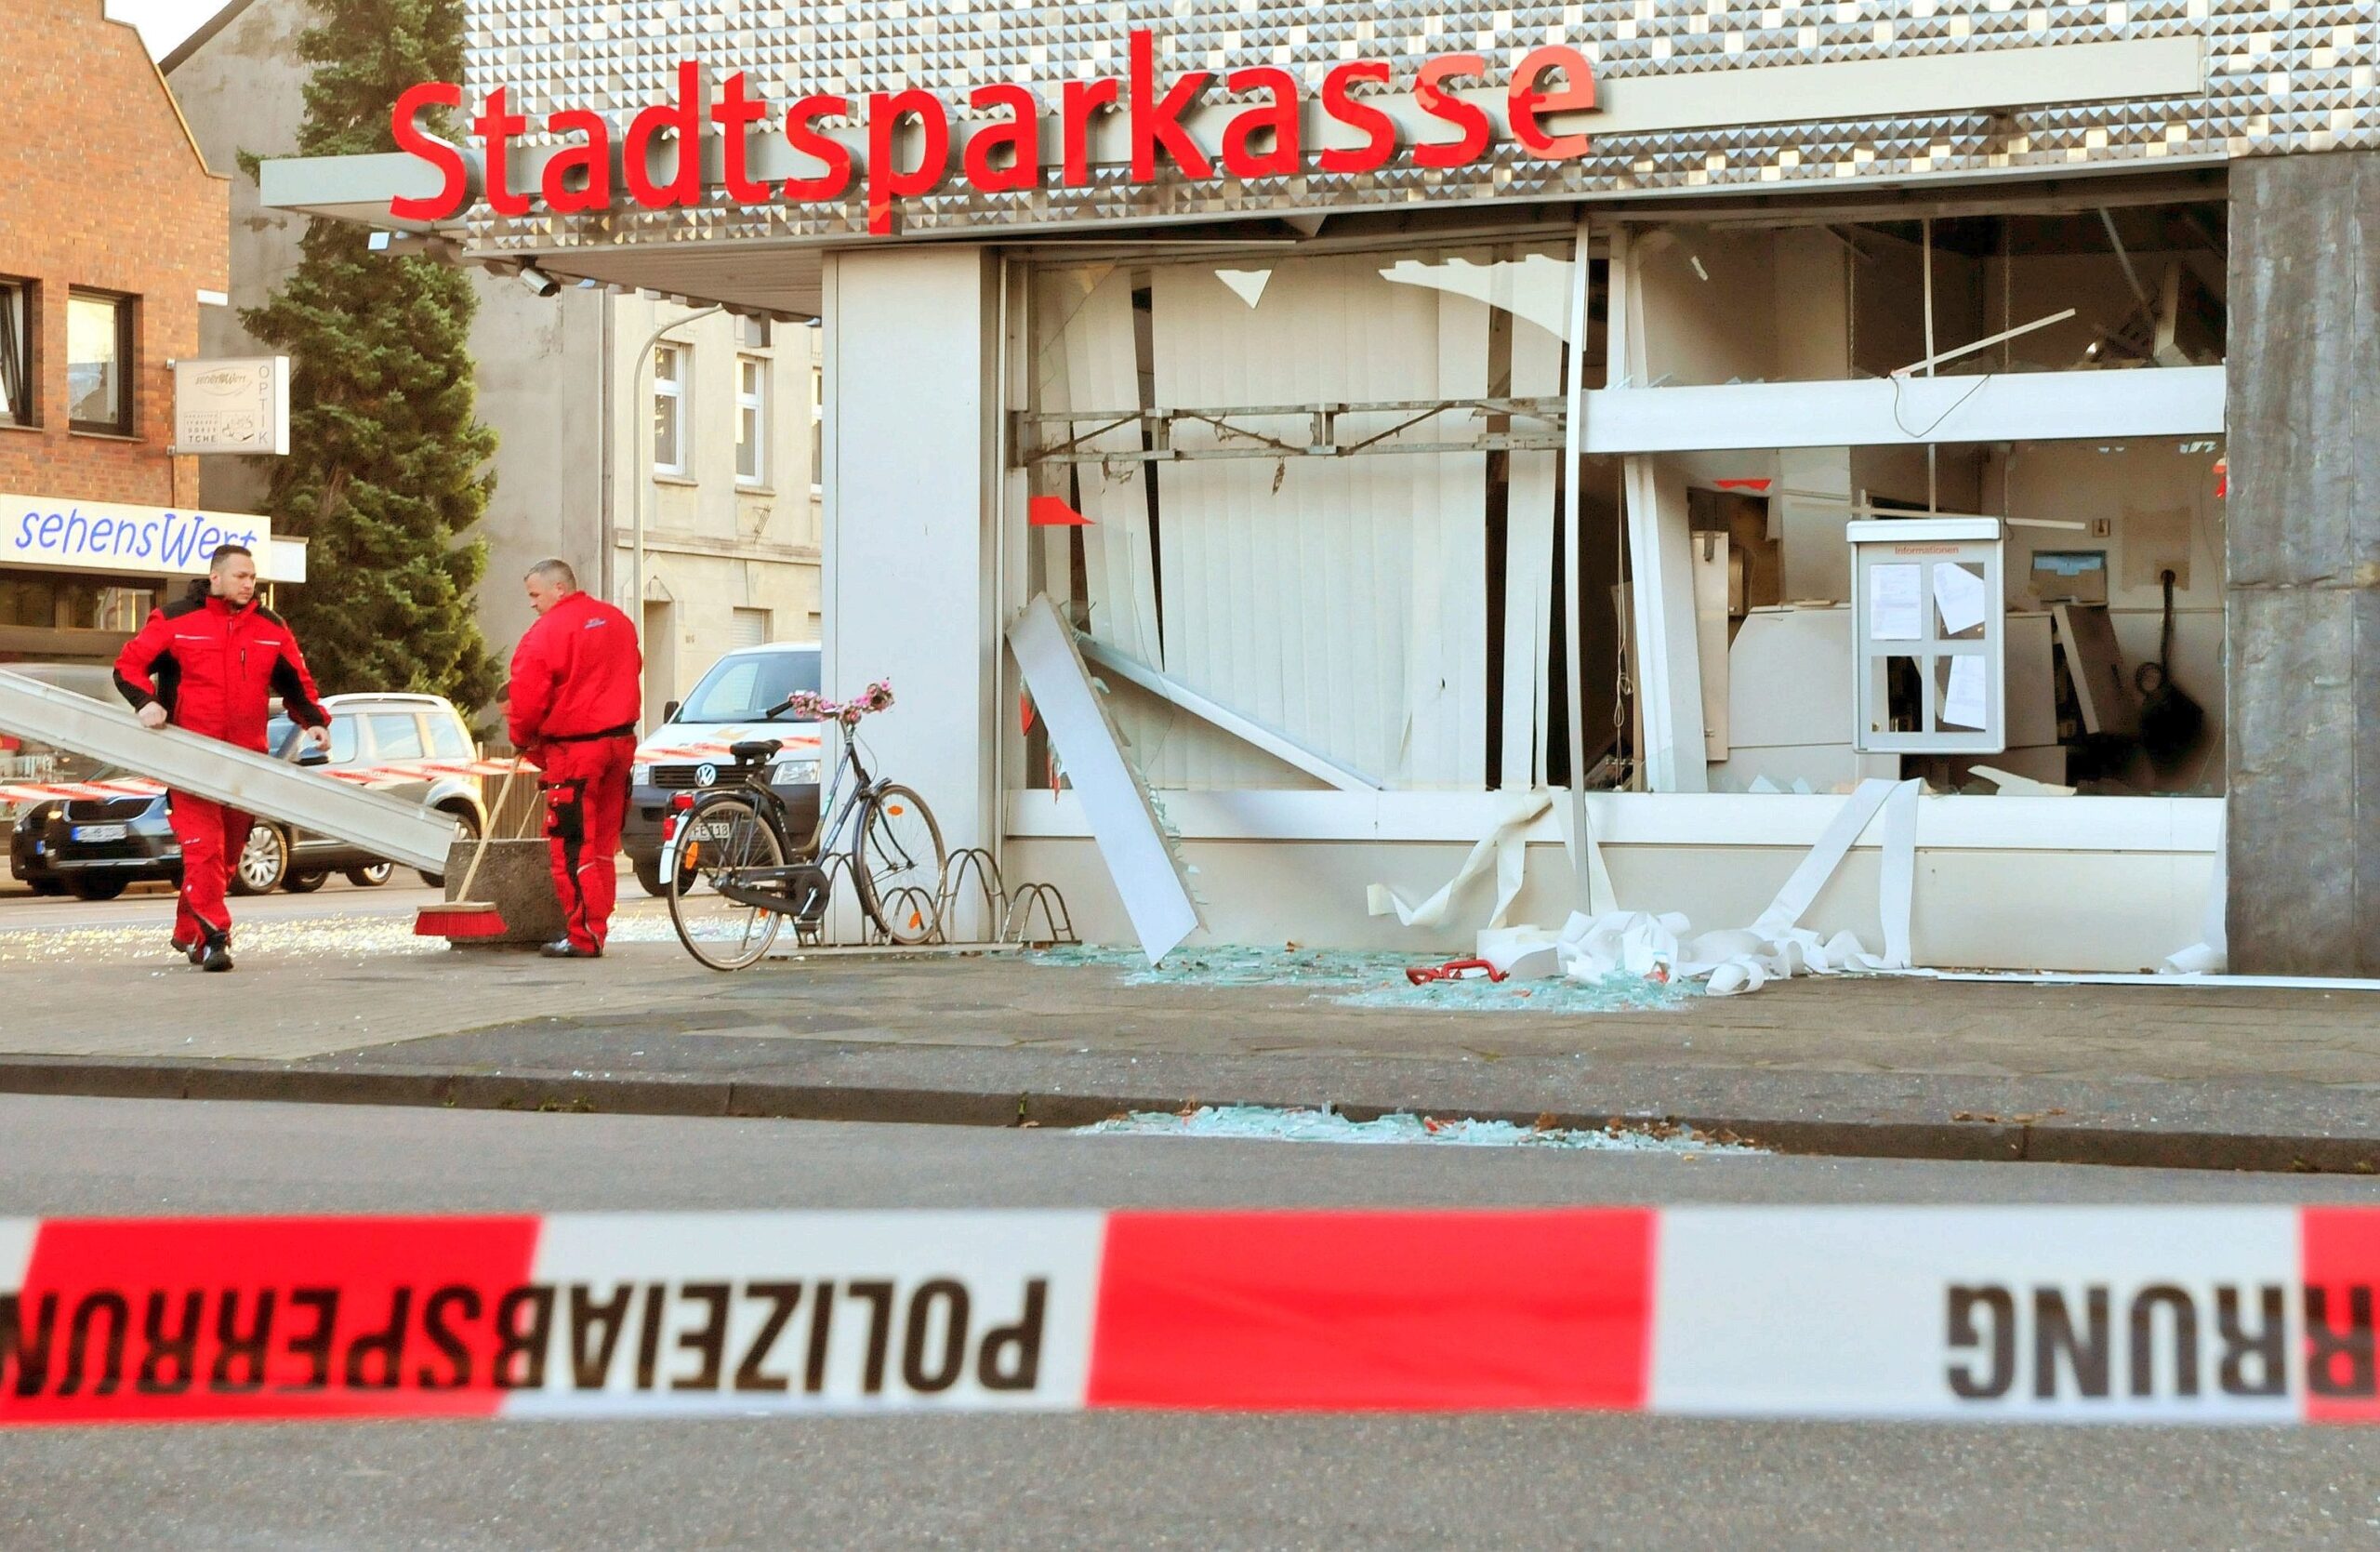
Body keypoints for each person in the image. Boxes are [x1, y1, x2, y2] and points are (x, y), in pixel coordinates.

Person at [112, 544, 331, 973]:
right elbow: (128, 667)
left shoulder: (271, 627)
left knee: (228, 855)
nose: (249, 584)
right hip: (189, 758)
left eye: (252, 577)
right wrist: (144, 702)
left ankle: (186, 930)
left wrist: (313, 721)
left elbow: (297, 683)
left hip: (245, 761)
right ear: (215, 578)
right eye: (240, 576)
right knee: (204, 850)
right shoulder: (175, 620)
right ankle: (216, 937)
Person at [507, 558, 642, 959]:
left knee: (571, 845)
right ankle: (599, 925)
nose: (532, 604)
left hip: (576, 752)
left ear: (558, 589)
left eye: (535, 595)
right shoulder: (617, 620)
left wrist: (523, 740)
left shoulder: (545, 633)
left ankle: (584, 934)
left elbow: (527, 695)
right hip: (620, 744)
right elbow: (633, 668)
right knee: (602, 842)